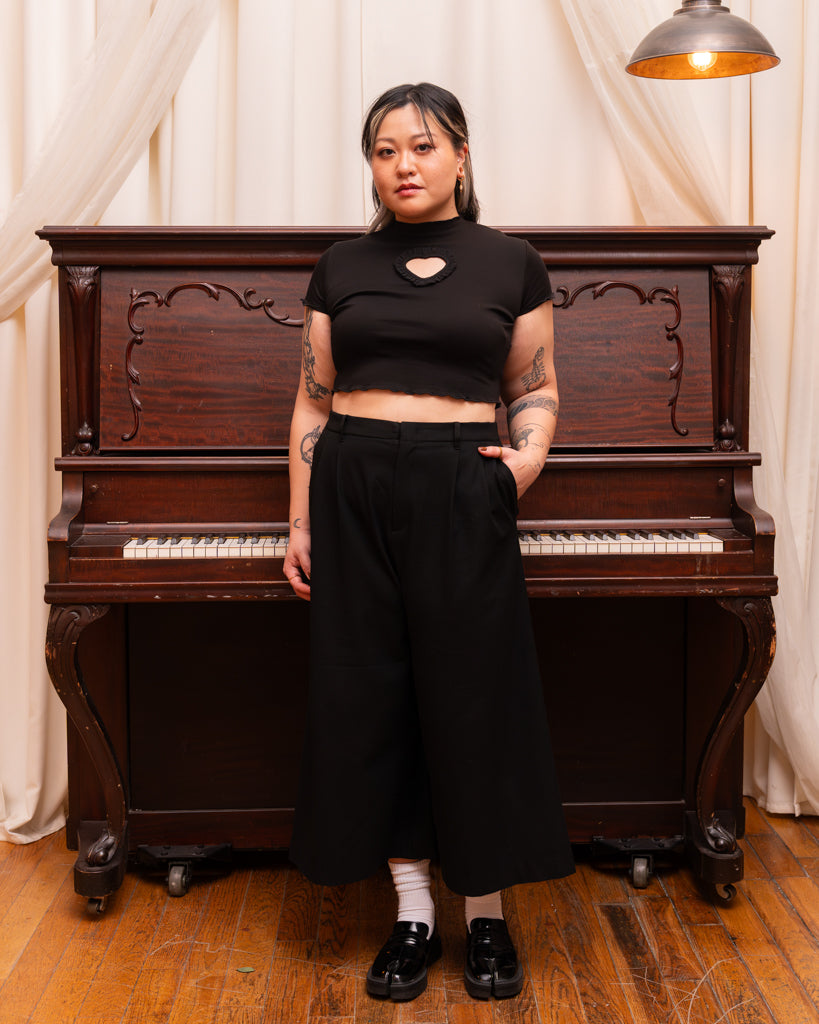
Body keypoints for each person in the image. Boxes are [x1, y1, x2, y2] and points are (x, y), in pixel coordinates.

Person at [283, 82, 573, 1003]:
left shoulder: (510, 264)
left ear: (460, 156)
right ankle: (411, 914)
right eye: (383, 150)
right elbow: (312, 399)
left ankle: (483, 916)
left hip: (461, 479)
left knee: (470, 696)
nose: (402, 165)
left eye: (421, 146)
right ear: (370, 165)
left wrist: (518, 467)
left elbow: (534, 386)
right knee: (372, 699)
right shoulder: (339, 266)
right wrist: (298, 520)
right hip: (353, 481)